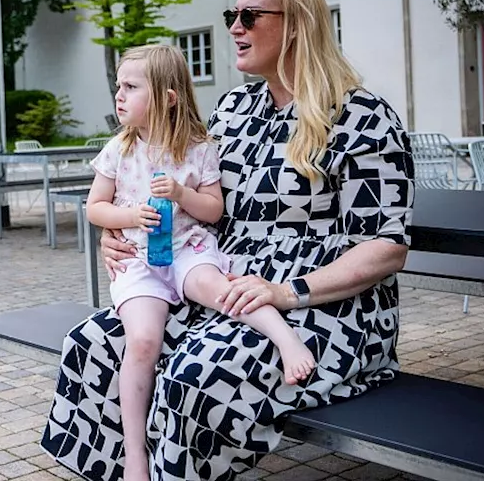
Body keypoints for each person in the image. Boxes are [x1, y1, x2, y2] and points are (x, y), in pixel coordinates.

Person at [41, 0, 414, 481]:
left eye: (250, 16)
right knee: (95, 344)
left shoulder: (362, 117)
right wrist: (116, 233)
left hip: (326, 309)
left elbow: (387, 248)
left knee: (194, 377)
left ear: (298, 25)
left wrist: (289, 292)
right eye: (230, 16)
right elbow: (171, 185)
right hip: (220, 281)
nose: (234, 27)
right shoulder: (233, 111)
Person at [86, 44, 316, 481]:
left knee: (223, 287)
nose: (119, 95)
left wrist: (180, 194)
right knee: (143, 342)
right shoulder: (119, 149)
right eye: (119, 86)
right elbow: (95, 207)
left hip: (188, 250)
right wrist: (128, 216)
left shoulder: (198, 148)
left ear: (169, 96)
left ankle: (287, 340)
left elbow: (213, 210)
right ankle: (135, 454)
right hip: (138, 261)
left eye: (131, 87)